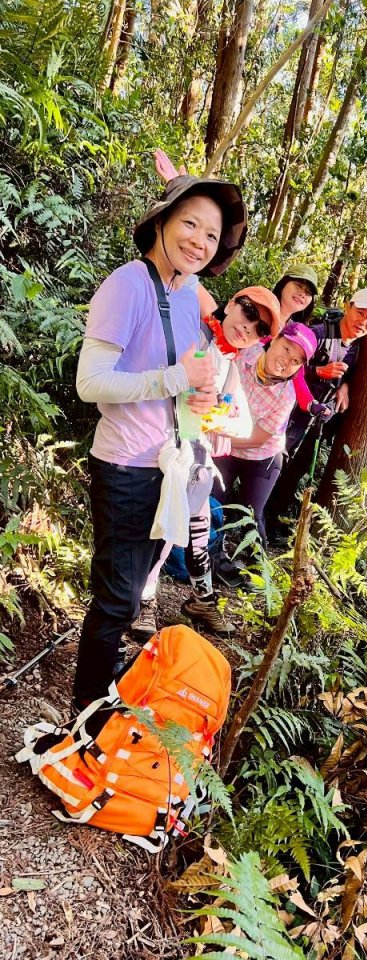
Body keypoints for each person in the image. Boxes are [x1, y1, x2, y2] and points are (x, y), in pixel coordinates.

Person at [72, 172, 247, 708]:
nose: (199, 240)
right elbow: (90, 383)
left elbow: (188, 367)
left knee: (129, 596)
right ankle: (84, 712)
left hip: (167, 466)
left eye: (212, 235)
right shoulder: (127, 285)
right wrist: (174, 381)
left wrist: (192, 404)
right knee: (116, 600)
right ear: (161, 222)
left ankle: (103, 695)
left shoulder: (187, 289)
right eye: (189, 224)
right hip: (125, 465)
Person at [131, 285, 281, 638]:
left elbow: (242, 422)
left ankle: (202, 599)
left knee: (196, 528)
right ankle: (145, 601)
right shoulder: (193, 335)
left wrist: (216, 420)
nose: (248, 326)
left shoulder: (229, 364)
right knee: (170, 532)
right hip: (154, 450)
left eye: (260, 328)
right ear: (231, 304)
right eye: (247, 311)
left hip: (189, 457)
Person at [266, 288, 367, 537]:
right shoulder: (319, 333)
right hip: (291, 412)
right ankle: (252, 513)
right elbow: (284, 365)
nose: (362, 322)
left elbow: (350, 374)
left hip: (319, 421)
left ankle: (271, 520)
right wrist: (318, 372)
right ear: (347, 306)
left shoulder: (360, 348)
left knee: (296, 470)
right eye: (360, 312)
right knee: (273, 461)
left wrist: (345, 386)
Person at [212, 322, 318, 546]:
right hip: (224, 444)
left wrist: (213, 436)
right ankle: (210, 556)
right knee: (213, 503)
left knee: (250, 515)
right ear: (275, 339)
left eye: (295, 361)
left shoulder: (286, 396)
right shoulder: (244, 353)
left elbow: (258, 439)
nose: (286, 360)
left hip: (262, 457)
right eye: (287, 348)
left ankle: (257, 570)